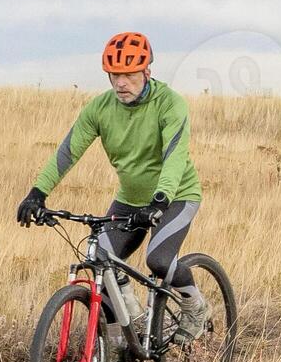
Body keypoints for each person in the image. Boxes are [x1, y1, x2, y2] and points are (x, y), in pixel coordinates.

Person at [16, 32, 207, 341]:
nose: (121, 83)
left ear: (147, 72)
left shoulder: (170, 104)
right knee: (100, 260)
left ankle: (195, 306)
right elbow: (68, 152)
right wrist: (37, 193)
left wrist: (160, 200)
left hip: (175, 197)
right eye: (114, 75)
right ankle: (121, 336)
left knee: (158, 260)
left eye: (129, 75)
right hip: (130, 200)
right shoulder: (100, 108)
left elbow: (174, 157)